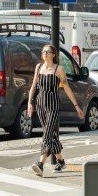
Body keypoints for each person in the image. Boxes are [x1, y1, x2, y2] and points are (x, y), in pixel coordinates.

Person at [27, 44, 84, 176]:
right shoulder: (38, 67)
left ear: (53, 54)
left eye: (47, 52)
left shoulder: (59, 69)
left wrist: (76, 106)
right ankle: (61, 161)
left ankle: (40, 163)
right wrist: (30, 103)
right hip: (40, 104)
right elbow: (34, 86)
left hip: (53, 105)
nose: (45, 54)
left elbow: (67, 88)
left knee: (47, 133)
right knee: (52, 134)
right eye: (43, 52)